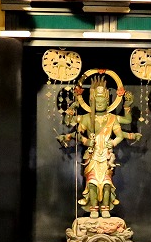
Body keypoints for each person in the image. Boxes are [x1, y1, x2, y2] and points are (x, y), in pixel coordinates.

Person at [59, 73, 141, 217]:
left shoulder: (112, 118)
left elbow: (122, 130)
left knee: (107, 183)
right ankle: (93, 209)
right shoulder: (86, 118)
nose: (100, 103)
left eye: (103, 100)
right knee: (92, 182)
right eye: (97, 100)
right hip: (92, 156)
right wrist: (86, 140)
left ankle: (105, 208)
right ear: (92, 101)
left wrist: (113, 141)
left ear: (108, 101)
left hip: (107, 156)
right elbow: (71, 125)